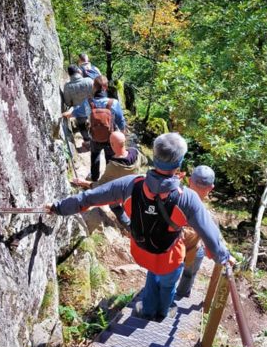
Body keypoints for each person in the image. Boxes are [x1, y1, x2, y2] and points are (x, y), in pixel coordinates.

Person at [45, 133, 233, 321]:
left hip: (141, 252)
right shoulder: (187, 199)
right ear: (179, 164)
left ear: (155, 156)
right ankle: (164, 311)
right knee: (168, 286)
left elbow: (89, 198)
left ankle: (147, 310)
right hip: (170, 257)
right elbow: (211, 237)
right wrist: (223, 258)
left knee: (152, 278)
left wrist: (58, 207)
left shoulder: (130, 184)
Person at [71, 130, 147, 230]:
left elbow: (101, 186)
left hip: (121, 192)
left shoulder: (113, 166)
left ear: (111, 144)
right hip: (136, 188)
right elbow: (145, 161)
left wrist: (83, 182)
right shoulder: (135, 152)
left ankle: (129, 226)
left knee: (114, 205)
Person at [63, 76, 126, 182]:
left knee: (95, 157)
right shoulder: (113, 103)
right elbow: (121, 121)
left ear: (94, 87)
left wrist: (67, 114)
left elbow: (75, 112)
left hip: (94, 137)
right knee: (110, 159)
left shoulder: (88, 103)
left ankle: (94, 178)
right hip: (111, 138)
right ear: (105, 88)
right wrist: (122, 135)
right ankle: (109, 179)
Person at [176, 165, 218, 299]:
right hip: (194, 250)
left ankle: (163, 294)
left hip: (173, 244)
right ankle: (182, 295)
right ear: (211, 188)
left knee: (166, 273)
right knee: (189, 274)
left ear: (189, 181)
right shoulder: (207, 214)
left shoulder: (177, 196)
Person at [62, 64, 93, 145]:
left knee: (81, 125)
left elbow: (67, 102)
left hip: (78, 110)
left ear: (69, 74)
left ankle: (87, 141)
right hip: (92, 108)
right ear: (79, 71)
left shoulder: (67, 86)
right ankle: (96, 140)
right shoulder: (89, 81)